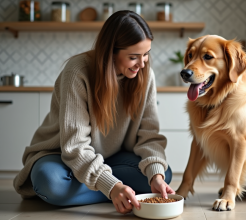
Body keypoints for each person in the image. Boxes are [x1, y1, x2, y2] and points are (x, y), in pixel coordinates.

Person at [13, 10, 175, 214]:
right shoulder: (77, 72)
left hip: (112, 158)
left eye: (146, 54)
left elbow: (149, 137)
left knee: (162, 173)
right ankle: (117, 190)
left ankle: (105, 189)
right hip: (62, 156)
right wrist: (112, 186)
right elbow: (75, 147)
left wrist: (156, 177)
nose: (142, 64)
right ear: (110, 53)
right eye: (133, 57)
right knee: (50, 183)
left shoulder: (145, 74)